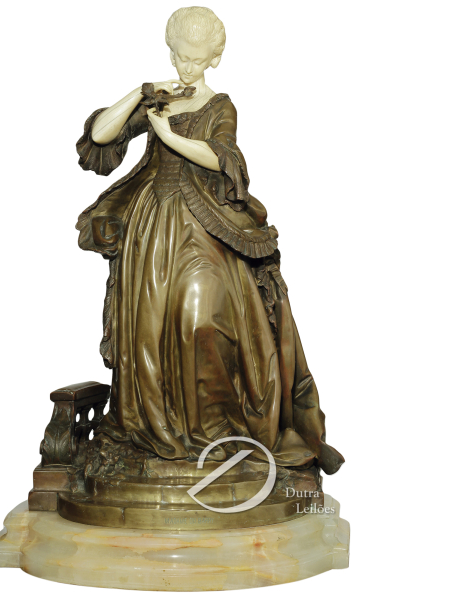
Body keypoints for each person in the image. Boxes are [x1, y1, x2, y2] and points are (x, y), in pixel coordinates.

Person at [75, 7, 343, 474]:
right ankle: (158, 426)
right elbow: (100, 136)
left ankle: (212, 427)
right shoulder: (159, 98)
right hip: (150, 227)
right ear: (171, 52)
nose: (187, 67)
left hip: (202, 223)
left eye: (197, 60)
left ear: (214, 59)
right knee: (148, 328)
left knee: (202, 321)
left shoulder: (220, 106)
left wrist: (164, 133)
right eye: (181, 57)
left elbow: (223, 159)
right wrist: (141, 92)